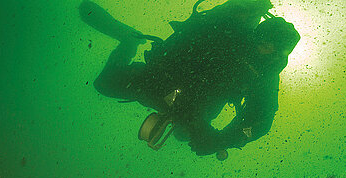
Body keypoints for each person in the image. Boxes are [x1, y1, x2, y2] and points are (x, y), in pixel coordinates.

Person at [79, 0, 300, 159]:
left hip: (195, 110)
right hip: (162, 79)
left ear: (280, 55)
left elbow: (261, 120)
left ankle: (183, 120)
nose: (262, 51)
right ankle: (128, 40)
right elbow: (180, 50)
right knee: (104, 84)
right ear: (255, 35)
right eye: (262, 43)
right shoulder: (225, 34)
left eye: (271, 50)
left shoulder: (265, 75)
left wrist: (222, 140)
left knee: (183, 135)